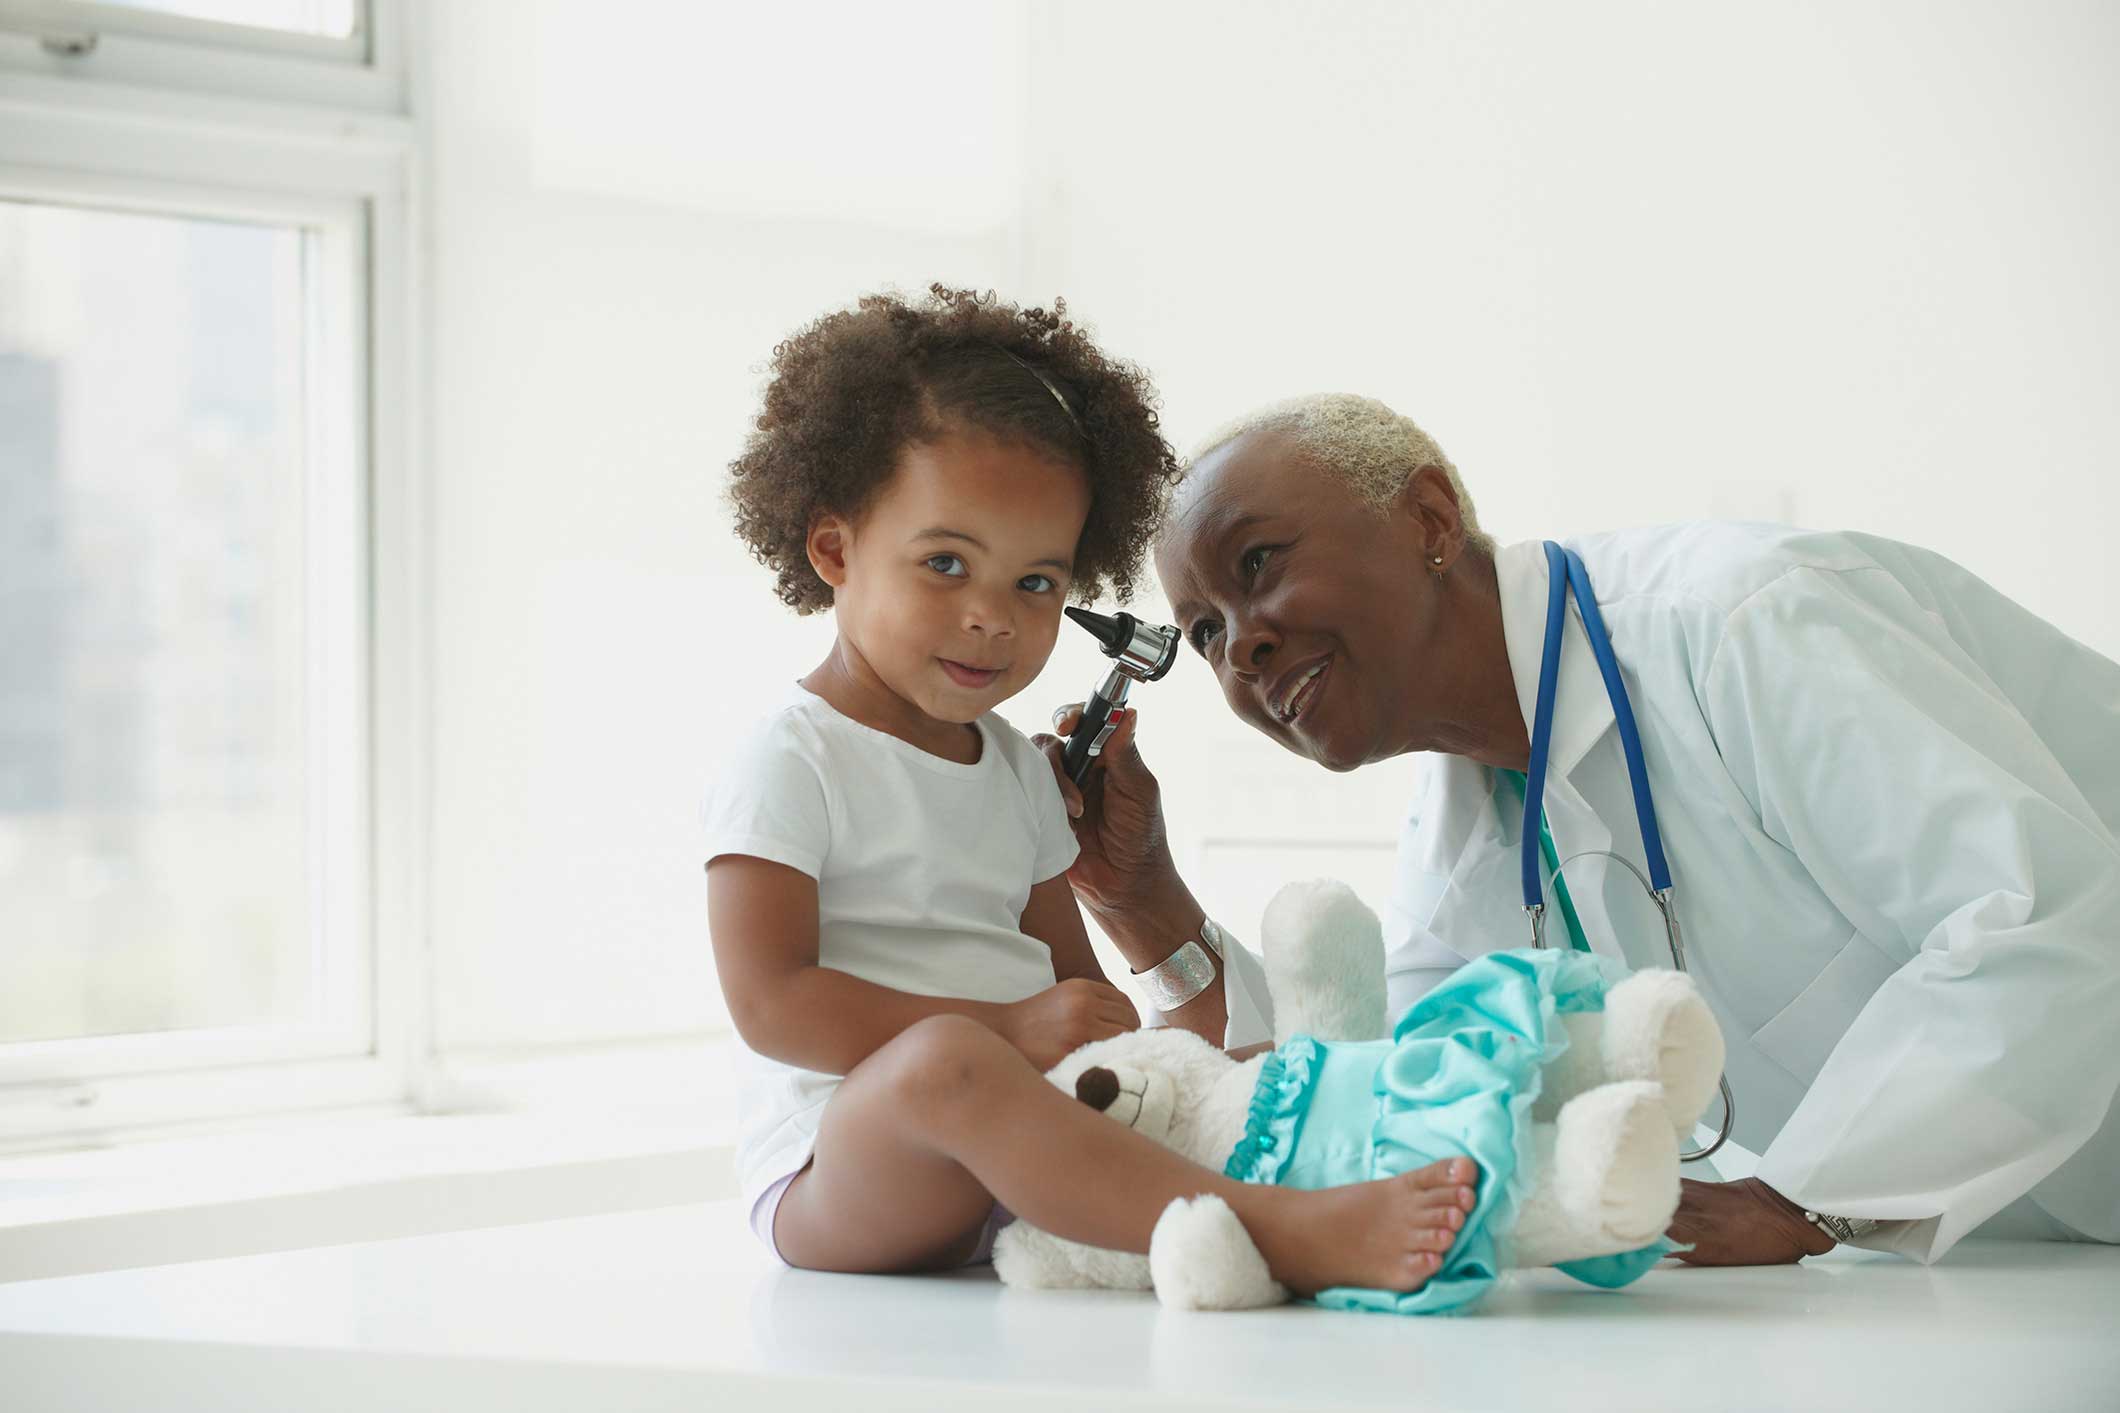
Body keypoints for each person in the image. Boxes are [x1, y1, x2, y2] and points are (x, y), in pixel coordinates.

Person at [1043, 392, 2120, 1267]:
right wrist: (1145, 908)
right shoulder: (1468, 818)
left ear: (1426, 521)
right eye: (1203, 633)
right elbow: (1380, 1102)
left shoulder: (1744, 622)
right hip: (2031, 1259)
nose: (1240, 648)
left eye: (1258, 565)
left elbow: (2046, 916)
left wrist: (1802, 1199)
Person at [704, 296, 1475, 1287]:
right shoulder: (790, 756)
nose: (990, 618)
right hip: (844, 1168)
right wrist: (1009, 1034)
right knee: (948, 1064)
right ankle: (1280, 1229)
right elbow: (772, 1005)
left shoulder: (1019, 772)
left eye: (1035, 584)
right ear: (835, 551)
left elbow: (1074, 995)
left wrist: (1156, 1059)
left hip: (1011, 1144)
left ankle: (1372, 1173)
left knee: (1254, 1071)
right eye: (945, 564)